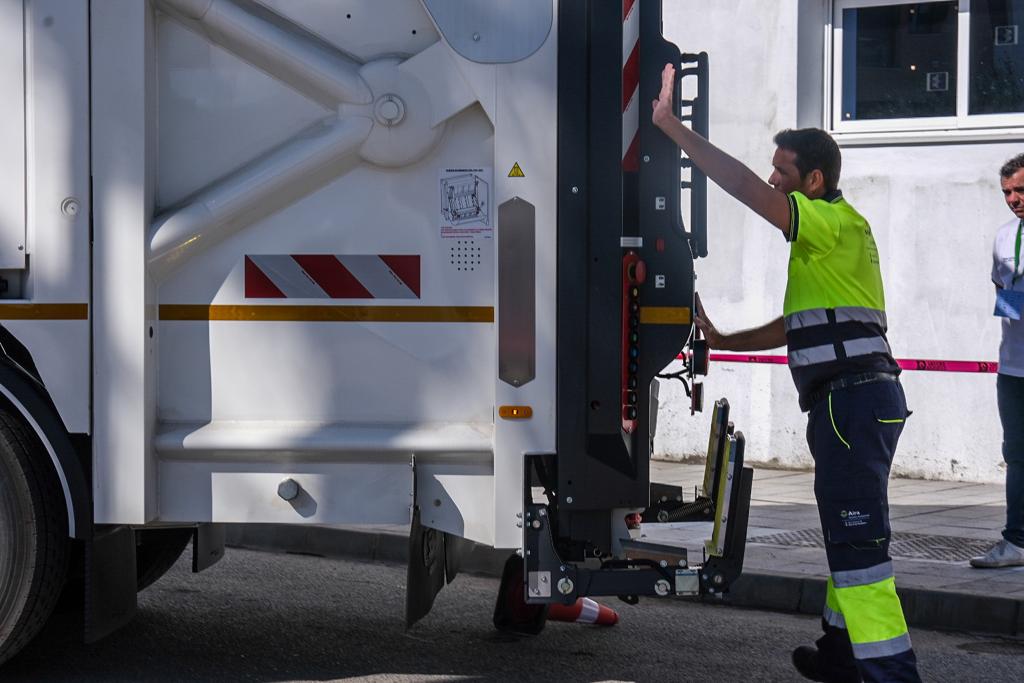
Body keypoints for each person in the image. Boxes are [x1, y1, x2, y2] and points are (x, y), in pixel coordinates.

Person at [652, 64, 920, 683]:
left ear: (814, 180)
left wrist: (672, 128)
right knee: (849, 529)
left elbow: (745, 188)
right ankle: (842, 654)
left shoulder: (825, 222)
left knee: (858, 544)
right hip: (854, 402)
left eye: (785, 172)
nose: (775, 179)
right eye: (775, 170)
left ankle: (891, 673)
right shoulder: (833, 241)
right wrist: (724, 340)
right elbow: (795, 325)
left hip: (851, 405)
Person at [971, 154, 1024, 569]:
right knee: (1017, 453)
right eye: (1007, 192)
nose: (1013, 199)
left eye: (1020, 190)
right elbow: (1000, 287)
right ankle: (1016, 540)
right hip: (1013, 367)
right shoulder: (1005, 237)